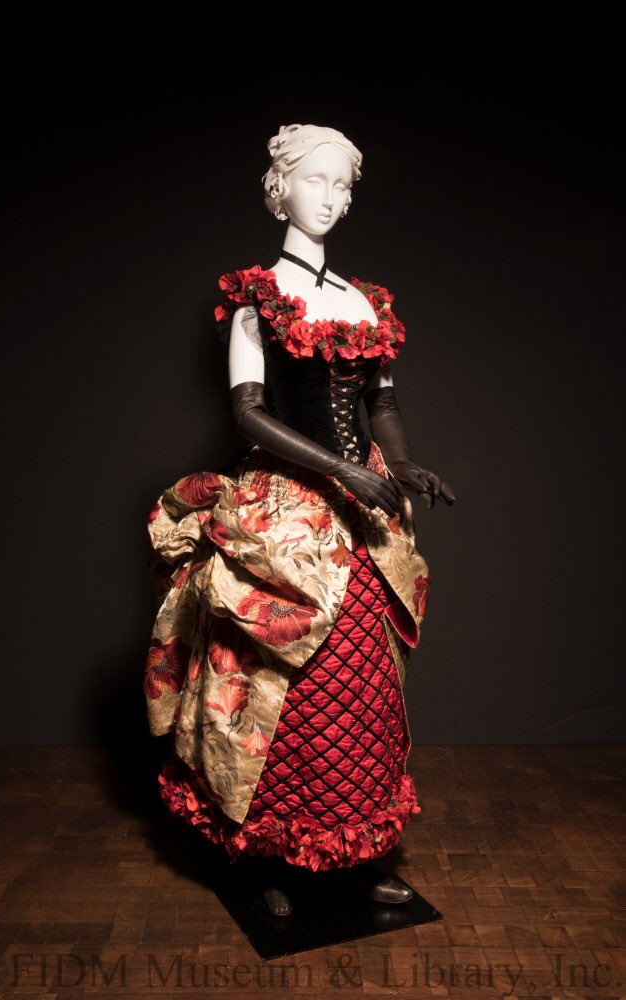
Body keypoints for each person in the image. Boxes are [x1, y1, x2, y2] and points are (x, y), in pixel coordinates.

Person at [144, 123, 455, 917]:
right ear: (280, 188)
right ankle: (269, 859)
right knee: (283, 685)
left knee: (362, 686)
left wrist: (401, 464)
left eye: (343, 185)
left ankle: (353, 854)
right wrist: (342, 469)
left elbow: (382, 404)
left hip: (363, 513)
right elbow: (249, 412)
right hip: (289, 509)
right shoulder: (257, 297)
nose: (330, 197)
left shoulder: (363, 299)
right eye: (316, 180)